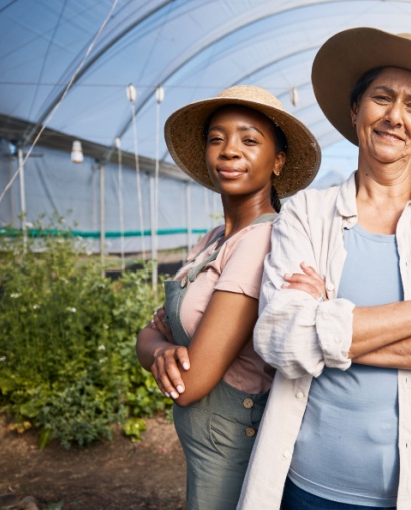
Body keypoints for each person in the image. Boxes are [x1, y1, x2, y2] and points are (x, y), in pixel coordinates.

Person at [238, 28, 411, 510]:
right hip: (315, 485)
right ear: (355, 110)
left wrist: (326, 327)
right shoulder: (306, 214)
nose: (394, 116)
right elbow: (280, 340)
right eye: (381, 98)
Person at [136, 85, 320, 509]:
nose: (229, 151)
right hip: (206, 441)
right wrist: (158, 347)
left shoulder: (263, 241)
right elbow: (148, 333)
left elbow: (189, 382)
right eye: (216, 139)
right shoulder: (215, 238)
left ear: (277, 162)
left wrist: (158, 348)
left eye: (249, 140)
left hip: (231, 441)